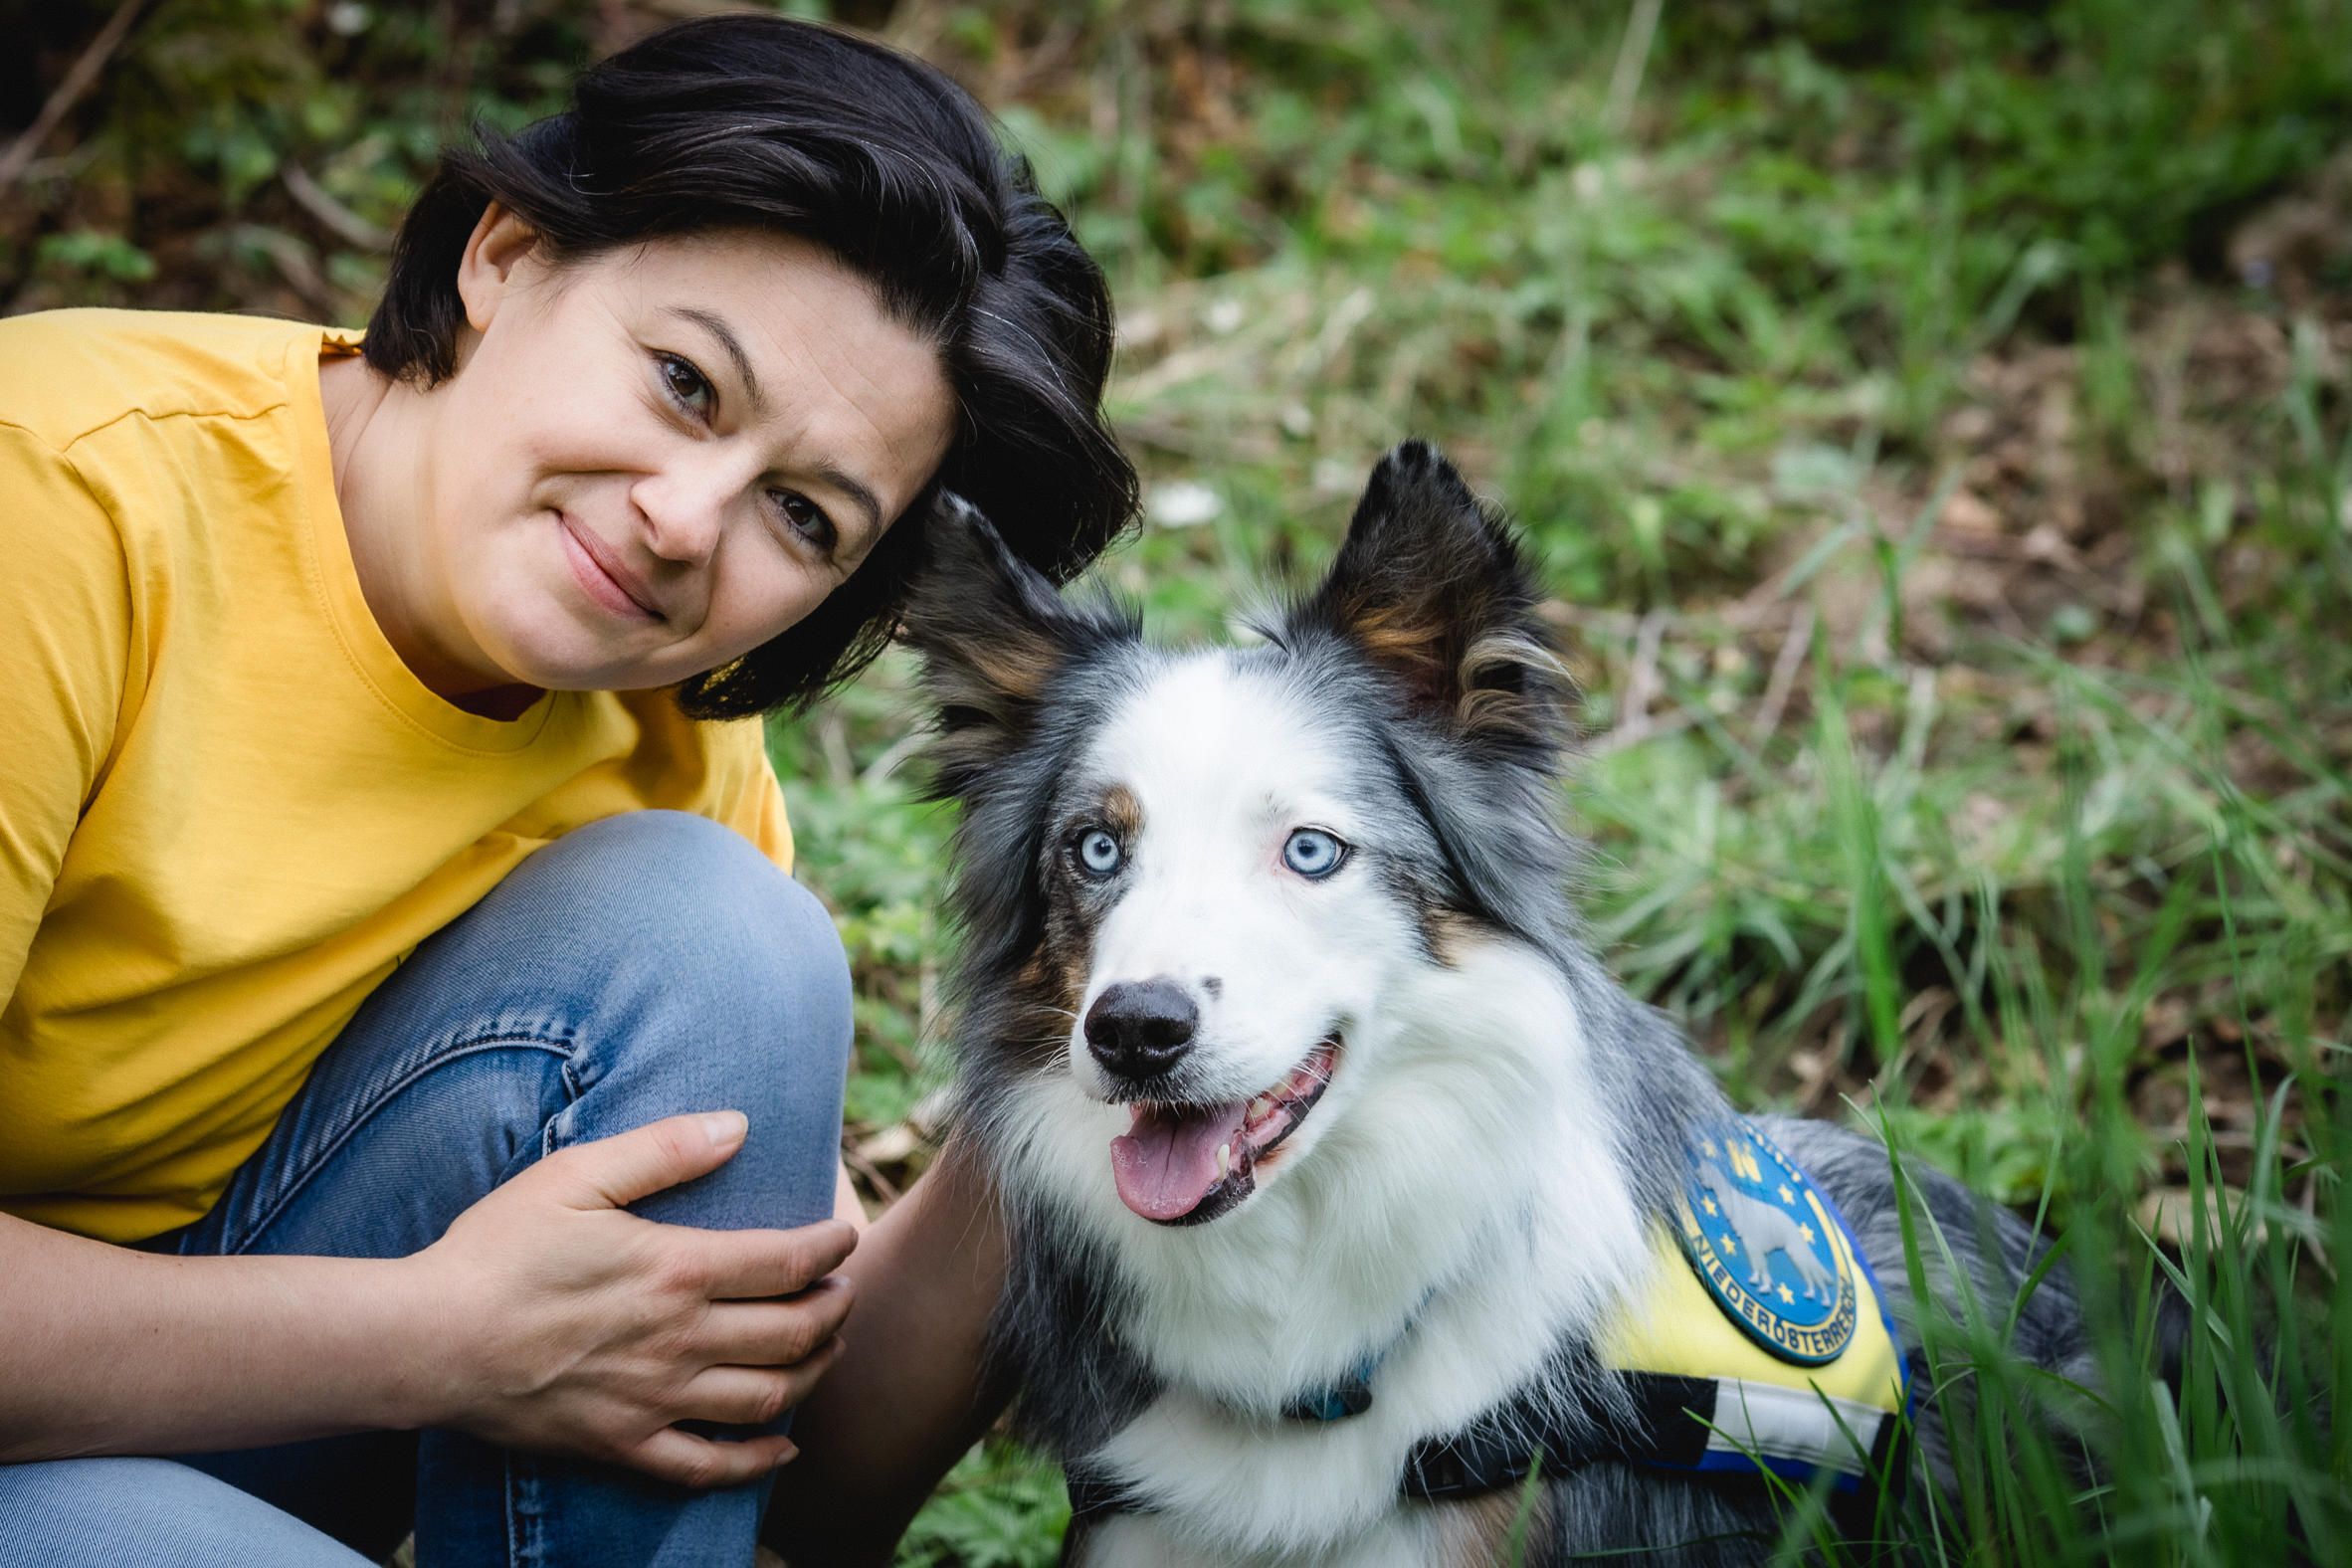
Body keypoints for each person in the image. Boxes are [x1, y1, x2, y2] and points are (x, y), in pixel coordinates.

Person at [0, 14, 1133, 1567]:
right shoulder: (52, 503)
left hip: (218, 1398)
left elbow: (776, 1475)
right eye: (683, 382)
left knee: (718, 932)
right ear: (509, 255)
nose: (684, 522)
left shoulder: (655, 743)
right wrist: (432, 1336)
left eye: (801, 517)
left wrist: (1077, 1080)